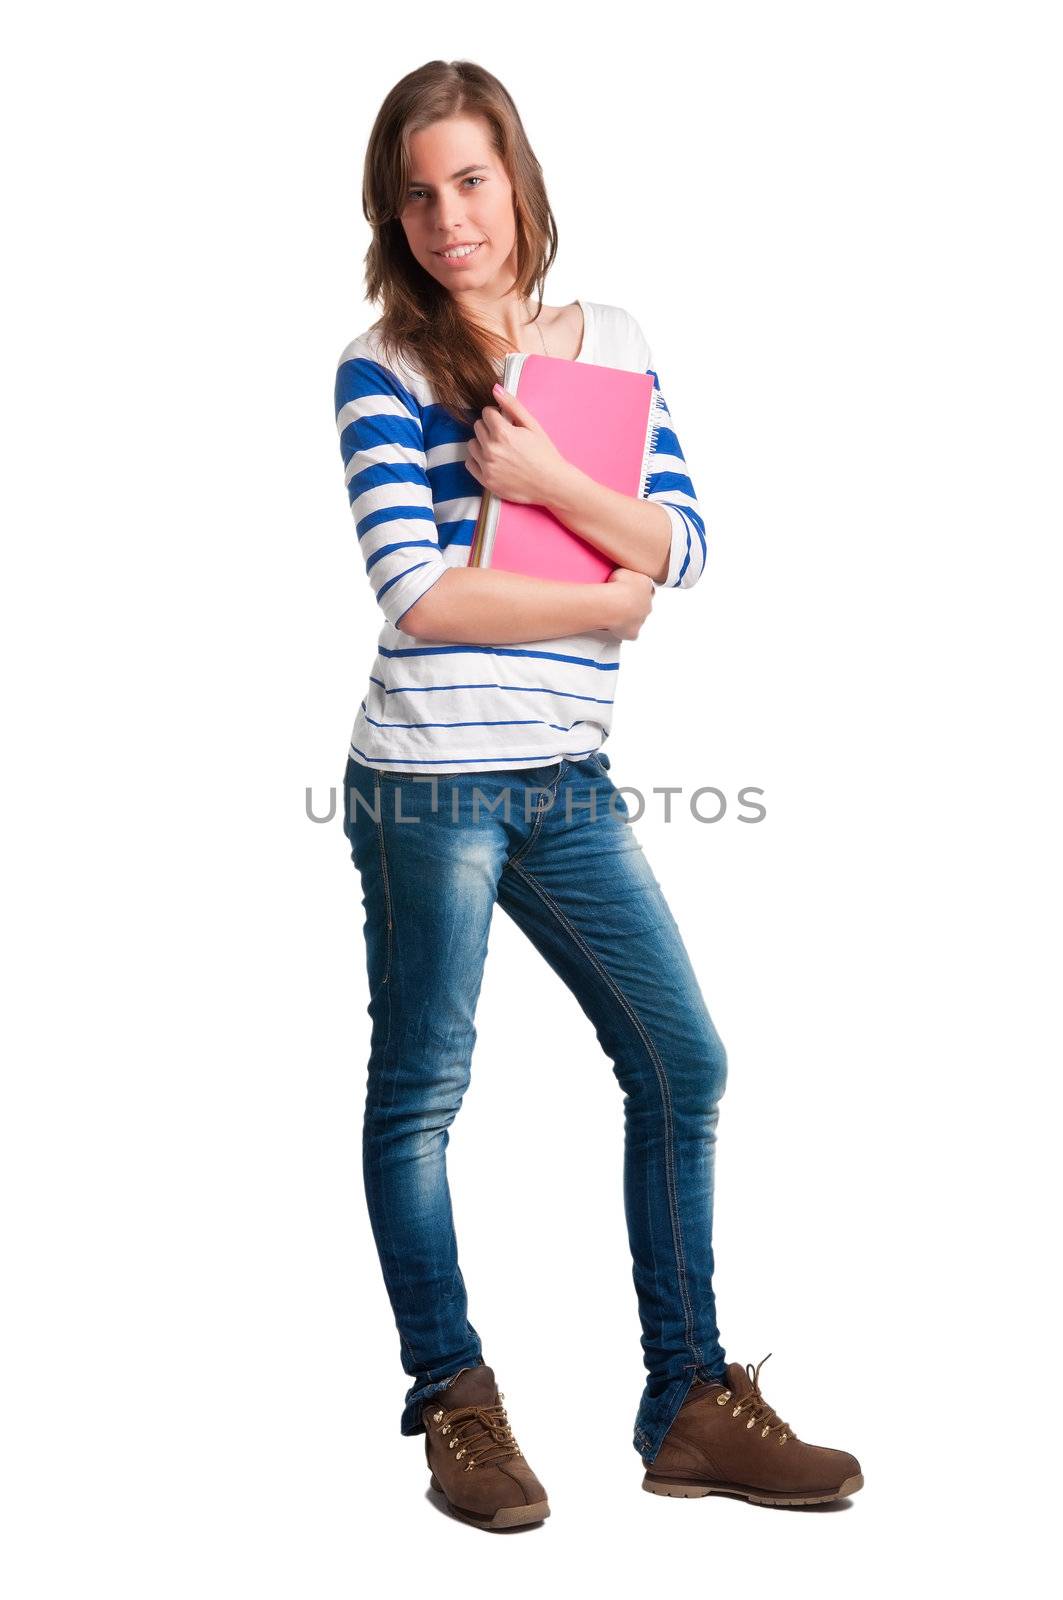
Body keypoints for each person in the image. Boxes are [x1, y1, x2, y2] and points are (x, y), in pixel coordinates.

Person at [335, 59, 862, 1531]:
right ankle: (455, 1397)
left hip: (563, 780)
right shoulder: (381, 365)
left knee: (682, 1064)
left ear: (519, 180)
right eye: (420, 191)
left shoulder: (608, 349)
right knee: (425, 1096)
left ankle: (688, 1399)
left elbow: (681, 547)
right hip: (426, 785)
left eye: (473, 180)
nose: (451, 217)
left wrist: (555, 479)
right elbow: (420, 593)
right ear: (394, 210)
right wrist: (603, 600)